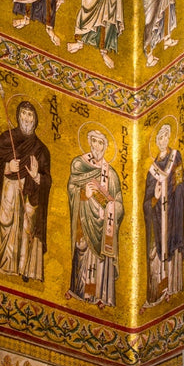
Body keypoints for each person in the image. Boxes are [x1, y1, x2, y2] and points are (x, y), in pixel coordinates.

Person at [0, 100, 51, 284]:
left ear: (35, 119)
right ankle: (2, 263)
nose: (26, 118)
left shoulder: (41, 149)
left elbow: (47, 179)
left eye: (30, 114)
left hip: (28, 191)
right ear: (18, 115)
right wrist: (8, 166)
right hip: (9, 187)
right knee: (5, 222)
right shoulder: (6, 139)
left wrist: (36, 176)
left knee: (26, 228)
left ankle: (25, 267)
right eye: (23, 113)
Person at [66, 128, 123, 307]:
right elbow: (72, 189)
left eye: (101, 142)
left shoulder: (111, 174)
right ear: (90, 143)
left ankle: (101, 296)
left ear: (105, 147)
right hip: (84, 223)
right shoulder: (79, 164)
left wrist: (112, 208)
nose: (97, 146)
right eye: (95, 141)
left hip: (103, 226)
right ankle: (80, 291)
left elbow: (120, 204)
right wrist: (84, 194)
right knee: (83, 254)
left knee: (100, 261)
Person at [143, 123, 184, 306]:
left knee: (172, 245)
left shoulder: (175, 157)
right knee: (155, 250)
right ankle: (158, 291)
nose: (162, 141)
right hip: (157, 218)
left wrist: (173, 190)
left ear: (169, 138)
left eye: (165, 137)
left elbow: (182, 181)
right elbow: (146, 199)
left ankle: (173, 288)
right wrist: (155, 198)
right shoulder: (152, 169)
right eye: (159, 138)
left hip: (173, 211)